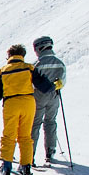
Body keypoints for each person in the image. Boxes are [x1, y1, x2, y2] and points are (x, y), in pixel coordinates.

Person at [0, 44, 55, 175]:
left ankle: (6, 166)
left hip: (11, 103)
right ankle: (26, 166)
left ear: (9, 56)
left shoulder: (3, 71)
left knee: (9, 135)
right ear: (22, 55)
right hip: (28, 103)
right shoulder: (29, 68)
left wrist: (1, 94)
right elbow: (44, 86)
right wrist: (56, 85)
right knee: (25, 136)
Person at [29, 36, 67, 164]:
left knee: (35, 124)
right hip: (54, 95)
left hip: (38, 96)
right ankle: (50, 151)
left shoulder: (36, 65)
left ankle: (30, 153)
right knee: (50, 122)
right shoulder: (59, 63)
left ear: (39, 48)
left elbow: (31, 83)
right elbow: (63, 81)